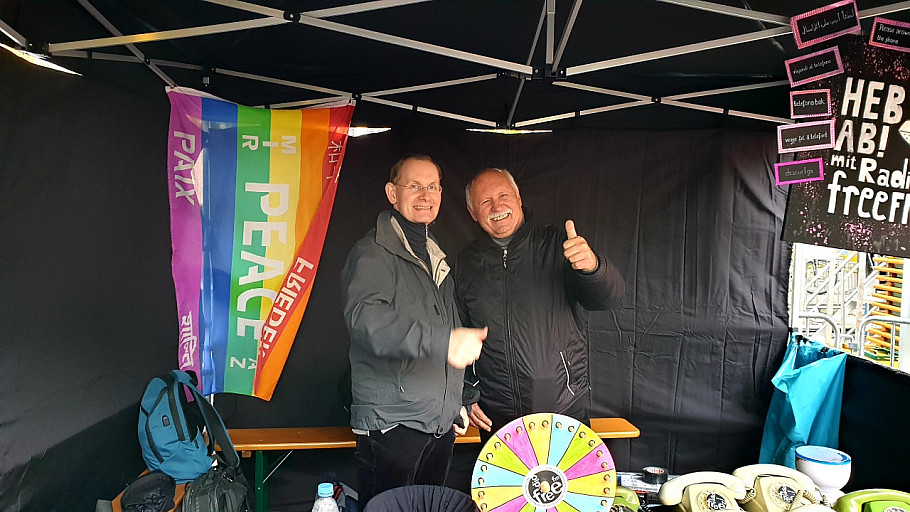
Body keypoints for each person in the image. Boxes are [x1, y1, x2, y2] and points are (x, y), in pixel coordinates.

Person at [341, 155, 486, 508]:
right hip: (393, 426)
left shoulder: (435, 258)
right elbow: (366, 321)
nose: (425, 195)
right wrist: (444, 342)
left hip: (437, 425)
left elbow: (444, 330)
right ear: (393, 193)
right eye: (414, 186)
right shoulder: (373, 253)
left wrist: (457, 399)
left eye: (432, 186)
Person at [455, 168, 625, 438]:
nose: (497, 207)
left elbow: (609, 298)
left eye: (503, 195)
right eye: (485, 201)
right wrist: (466, 392)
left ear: (518, 198)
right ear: (473, 212)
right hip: (497, 418)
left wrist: (593, 268)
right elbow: (458, 332)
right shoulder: (466, 263)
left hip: (563, 411)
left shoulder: (558, 244)